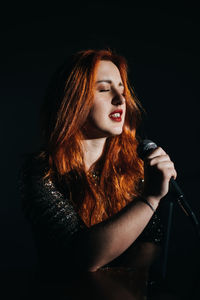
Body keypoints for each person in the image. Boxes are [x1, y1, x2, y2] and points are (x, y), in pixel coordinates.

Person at [19, 49, 176, 287]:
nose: (120, 98)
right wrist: (151, 198)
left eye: (122, 90)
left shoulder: (133, 166)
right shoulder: (42, 171)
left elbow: (151, 240)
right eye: (104, 89)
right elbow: (83, 256)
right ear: (73, 100)